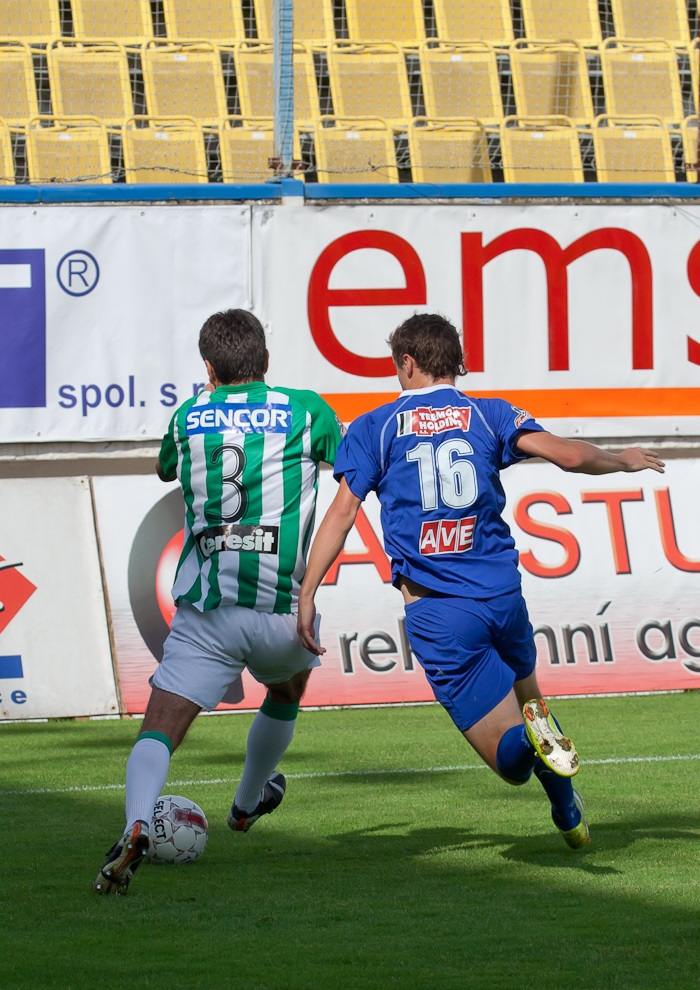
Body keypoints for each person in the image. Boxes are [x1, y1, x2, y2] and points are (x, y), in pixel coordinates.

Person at [297, 312, 665, 849]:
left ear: (408, 362)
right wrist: (621, 460)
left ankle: (536, 751)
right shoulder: (490, 414)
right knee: (531, 699)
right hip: (502, 597)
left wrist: (307, 593)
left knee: (512, 760)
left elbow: (341, 515)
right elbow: (567, 454)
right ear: (459, 362)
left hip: (442, 612)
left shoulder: (374, 427)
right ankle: (566, 809)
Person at [94, 308, 344, 895]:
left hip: (208, 612)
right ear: (265, 359)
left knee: (160, 725)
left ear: (209, 367)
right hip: (282, 610)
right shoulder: (306, 409)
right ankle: (246, 802)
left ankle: (135, 824)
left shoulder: (187, 415)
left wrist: (209, 405)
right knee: (286, 688)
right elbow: (350, 463)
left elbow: (165, 468)